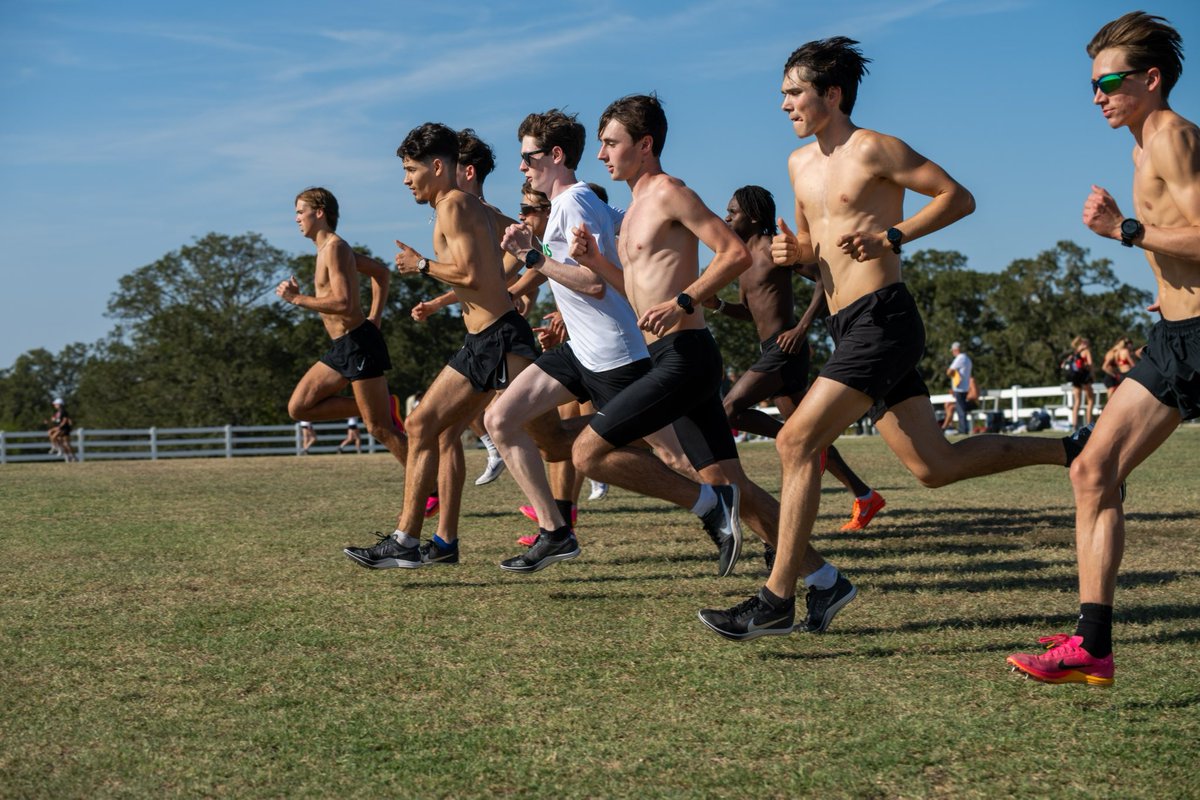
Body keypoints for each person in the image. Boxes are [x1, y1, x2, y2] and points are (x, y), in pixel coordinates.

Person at [700, 37, 1084, 641]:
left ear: (833, 93)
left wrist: (894, 236)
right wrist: (794, 254)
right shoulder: (799, 165)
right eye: (782, 95)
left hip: (885, 318)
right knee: (933, 465)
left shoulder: (875, 148)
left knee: (796, 442)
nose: (784, 106)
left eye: (794, 93)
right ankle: (1074, 451)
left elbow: (959, 196)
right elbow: (811, 255)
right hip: (844, 323)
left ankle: (780, 597)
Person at [1008, 12, 1198, 686]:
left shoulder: (1172, 137)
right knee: (1091, 471)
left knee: (1095, 469)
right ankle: (1093, 644)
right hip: (1176, 338)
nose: (1097, 96)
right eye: (1093, 84)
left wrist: (1125, 228)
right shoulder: (1143, 148)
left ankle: (1094, 643)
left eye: (1109, 82)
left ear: (1151, 78)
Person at [484, 106, 747, 575]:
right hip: (578, 351)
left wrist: (532, 258)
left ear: (556, 155)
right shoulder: (580, 203)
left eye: (527, 157)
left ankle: (730, 513)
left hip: (614, 354)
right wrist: (532, 256)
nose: (521, 166)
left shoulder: (574, 203)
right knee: (500, 419)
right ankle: (556, 531)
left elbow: (592, 283)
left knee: (678, 457)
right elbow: (597, 252)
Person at [343, 122, 540, 570]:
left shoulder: (454, 205)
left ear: (437, 166)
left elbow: (472, 274)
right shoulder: (471, 206)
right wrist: (518, 273)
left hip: (495, 337)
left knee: (567, 443)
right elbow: (527, 238)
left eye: (411, 169)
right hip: (488, 337)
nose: (405, 179)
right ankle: (427, 541)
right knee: (433, 429)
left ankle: (407, 540)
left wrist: (421, 265)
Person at [707, 185, 884, 535]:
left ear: (754, 217)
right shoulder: (742, 258)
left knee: (728, 410)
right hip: (771, 350)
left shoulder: (777, 248)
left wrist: (801, 329)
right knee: (811, 437)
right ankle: (865, 496)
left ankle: (796, 443)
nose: (727, 217)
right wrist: (720, 306)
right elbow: (750, 311)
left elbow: (824, 280)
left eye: (733, 212)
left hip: (786, 350)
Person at [276, 187, 409, 467]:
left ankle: (431, 489)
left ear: (319, 213)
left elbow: (344, 303)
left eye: (301, 212)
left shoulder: (335, 248)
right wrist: (376, 316)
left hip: (358, 345)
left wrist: (297, 299)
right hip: (344, 346)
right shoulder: (328, 249)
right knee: (299, 407)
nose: (297, 218)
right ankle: (386, 406)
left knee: (380, 429)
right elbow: (381, 273)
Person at [1064, 335, 1096, 429]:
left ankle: (1074, 424)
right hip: (1085, 377)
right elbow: (1090, 364)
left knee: (1077, 401)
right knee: (1090, 400)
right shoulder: (1086, 351)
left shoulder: (1075, 353)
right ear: (1086, 344)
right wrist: (1093, 375)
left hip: (1076, 378)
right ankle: (1089, 423)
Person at [947, 341, 974, 435]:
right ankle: (963, 428)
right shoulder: (967, 359)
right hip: (965, 388)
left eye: (953, 351)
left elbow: (950, 371)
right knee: (961, 409)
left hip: (959, 388)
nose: (952, 353)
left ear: (956, 350)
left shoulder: (960, 358)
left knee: (960, 410)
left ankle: (963, 429)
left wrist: (951, 375)